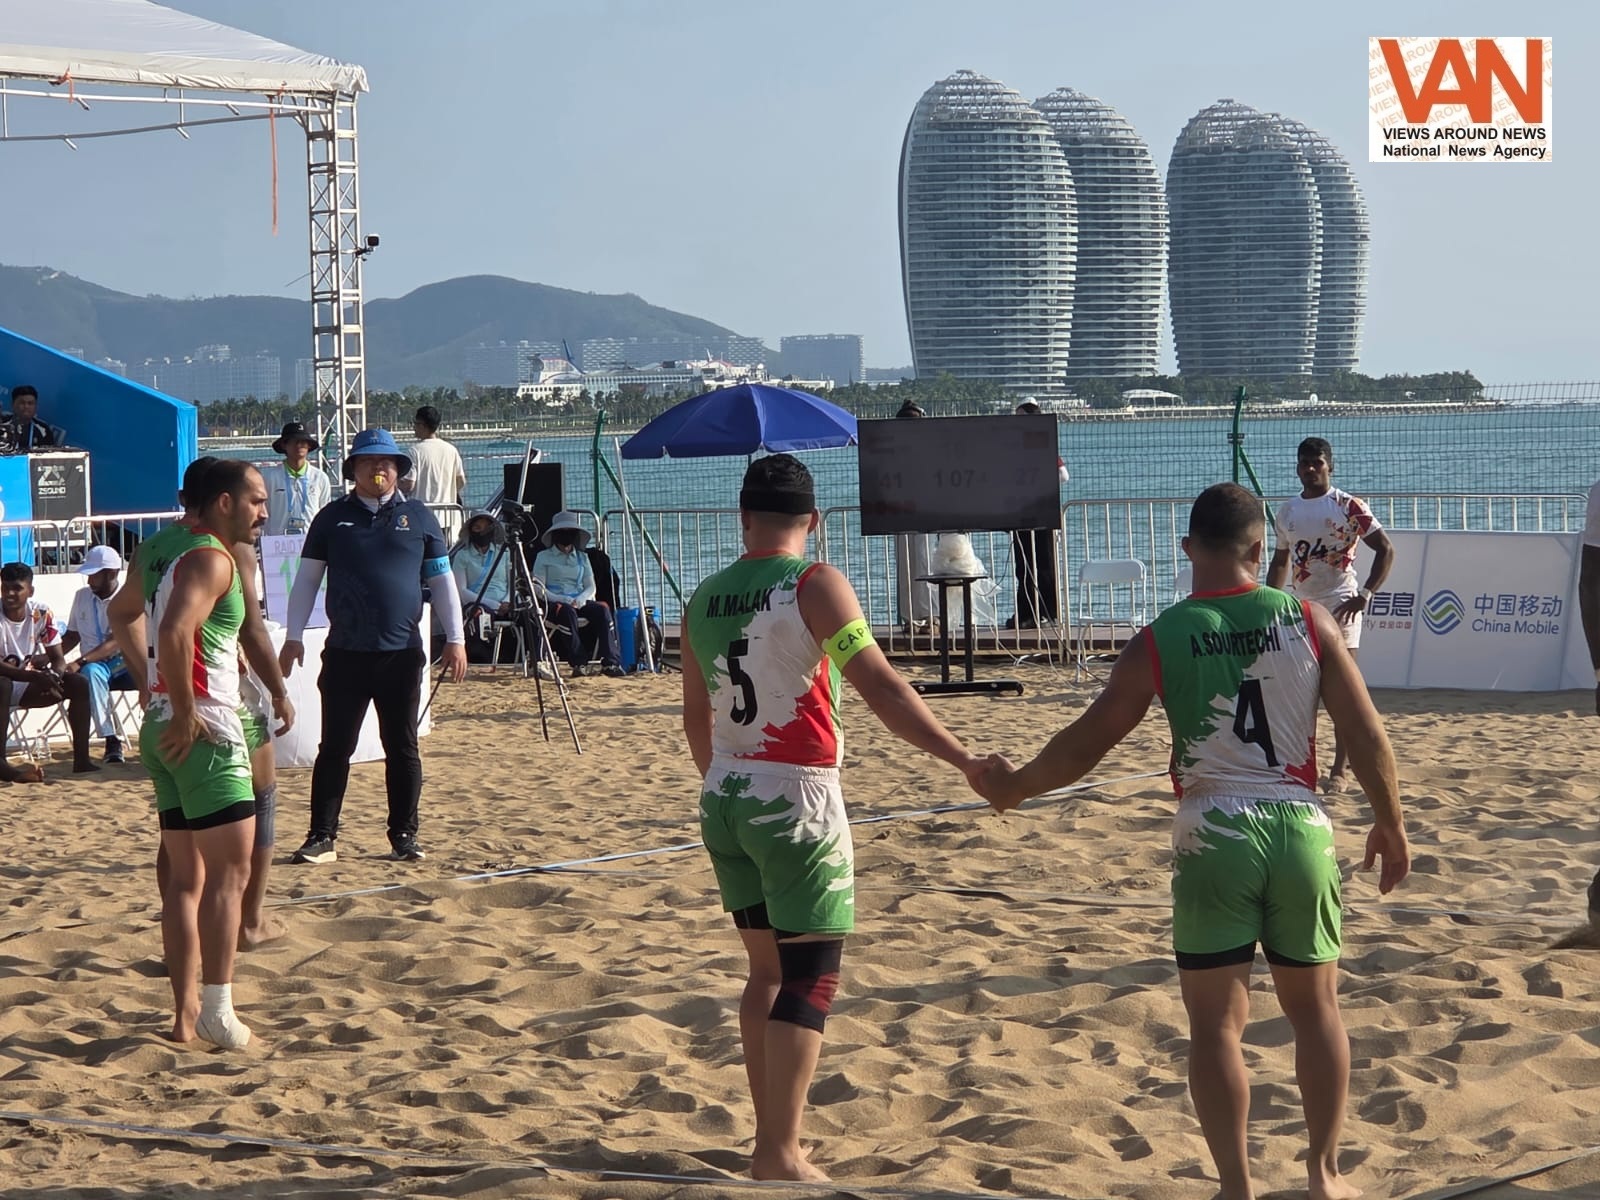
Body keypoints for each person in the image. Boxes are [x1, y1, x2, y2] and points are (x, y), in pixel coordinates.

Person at [977, 482, 1410, 1200]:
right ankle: (1324, 1175)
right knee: (1317, 1012)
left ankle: (1235, 1186)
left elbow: (1088, 741)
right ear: (1258, 549)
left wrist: (1014, 786)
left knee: (1216, 1027)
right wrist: (1391, 821)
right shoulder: (1306, 617)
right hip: (1299, 823)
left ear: (1187, 551)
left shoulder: (1162, 635)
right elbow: (1363, 732)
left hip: (1213, 830)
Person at [681, 453, 1000, 1182]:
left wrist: (726, 781)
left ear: (744, 518)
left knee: (764, 972)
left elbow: (695, 718)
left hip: (725, 792)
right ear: (814, 521)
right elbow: (883, 687)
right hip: (793, 794)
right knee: (811, 977)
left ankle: (772, 1140)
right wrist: (964, 760)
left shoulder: (704, 596)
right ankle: (780, 1152)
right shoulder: (815, 584)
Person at [106, 459, 271, 1048]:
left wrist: (154, 687)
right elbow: (174, 632)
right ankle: (217, 1011)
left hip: (163, 725)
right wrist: (183, 707)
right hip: (203, 727)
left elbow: (125, 614)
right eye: (256, 500)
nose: (264, 511)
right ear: (223, 502)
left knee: (183, 879)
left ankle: (184, 1014)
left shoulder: (167, 549)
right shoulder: (211, 558)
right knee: (230, 873)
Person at [279, 428, 468, 866]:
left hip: (401, 652)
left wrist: (456, 639)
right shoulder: (331, 518)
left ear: (399, 470)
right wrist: (292, 635)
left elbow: (441, 581)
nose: (379, 469)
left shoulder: (419, 517)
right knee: (335, 748)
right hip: (346, 651)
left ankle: (404, 834)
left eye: (387, 463)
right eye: (369, 462)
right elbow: (306, 580)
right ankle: (321, 836)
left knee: (401, 746)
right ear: (353, 470)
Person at [1265, 437, 1395, 790]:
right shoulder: (1287, 512)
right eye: (1304, 463)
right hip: (1302, 608)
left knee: (1342, 688)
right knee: (1302, 690)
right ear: (1297, 467)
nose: (1309, 469)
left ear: (1329, 466)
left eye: (1316, 463)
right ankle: (1303, 765)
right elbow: (1281, 561)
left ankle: (1340, 769)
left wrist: (1366, 594)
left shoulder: (1348, 506)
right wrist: (1268, 602)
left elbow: (1385, 549)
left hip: (1341, 605)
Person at [0, 561, 97, 778]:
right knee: (2, 684)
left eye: (17, 588)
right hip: (6, 684)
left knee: (79, 683)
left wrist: (54, 675)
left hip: (26, 683)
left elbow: (58, 657)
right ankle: (2, 763)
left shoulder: (41, 612)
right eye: (5, 587)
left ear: (30, 590)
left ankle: (82, 760)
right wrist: (35, 676)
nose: (10, 593)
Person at [61, 544, 134, 763]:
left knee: (88, 670)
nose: (89, 580)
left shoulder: (129, 597)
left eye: (94, 575)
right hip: (96, 667)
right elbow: (72, 636)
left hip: (128, 663)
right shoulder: (82, 596)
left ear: (111, 573)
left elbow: (117, 641)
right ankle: (111, 739)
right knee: (89, 674)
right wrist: (49, 657)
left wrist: (78, 661)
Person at [531, 511, 625, 678]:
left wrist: (581, 599)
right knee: (566, 612)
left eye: (570, 532)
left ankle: (611, 662)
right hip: (554, 601)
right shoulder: (543, 557)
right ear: (555, 534)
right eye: (563, 531)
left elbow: (590, 586)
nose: (566, 536)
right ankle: (579, 663)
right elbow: (538, 588)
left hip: (579, 600)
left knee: (603, 609)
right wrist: (563, 599)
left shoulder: (582, 557)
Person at [1004, 399, 1067, 630]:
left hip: (1038, 512)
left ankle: (1045, 611)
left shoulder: (1041, 444)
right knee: (1027, 566)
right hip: (1025, 513)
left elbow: (1063, 475)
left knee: (1041, 564)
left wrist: (1036, 485)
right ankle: (1032, 611)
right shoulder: (1019, 447)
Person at [890, 399, 936, 632]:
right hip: (907, 512)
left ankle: (926, 617)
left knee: (920, 562)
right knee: (915, 563)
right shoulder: (896, 450)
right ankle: (918, 617)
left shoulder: (923, 448)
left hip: (918, 512)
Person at [399, 405, 467, 546]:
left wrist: (394, 484)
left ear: (422, 425)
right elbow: (461, 480)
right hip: (447, 516)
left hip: (421, 516)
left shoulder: (415, 451)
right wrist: (452, 493)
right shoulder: (451, 450)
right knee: (443, 557)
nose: (414, 427)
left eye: (415, 424)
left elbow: (408, 484)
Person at [260, 421, 333, 536]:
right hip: (277, 544)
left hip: (311, 544)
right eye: (294, 442)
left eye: (303, 442)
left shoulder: (320, 478)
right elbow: (262, 513)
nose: (299, 446)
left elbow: (325, 515)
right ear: (284, 445)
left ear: (309, 446)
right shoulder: (269, 477)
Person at [6, 385, 65, 451]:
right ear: (12, 404)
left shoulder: (44, 430)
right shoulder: (2, 424)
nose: (26, 406)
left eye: (30, 403)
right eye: (22, 403)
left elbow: (48, 455)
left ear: (36, 406)